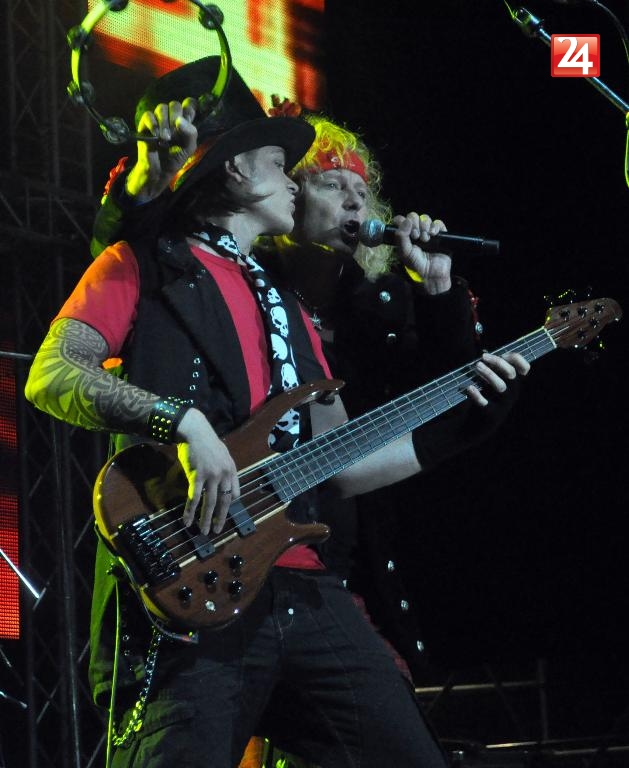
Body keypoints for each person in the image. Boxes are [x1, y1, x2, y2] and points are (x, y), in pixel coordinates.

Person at [25, 57, 529, 768]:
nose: (293, 178)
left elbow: (337, 463)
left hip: (302, 582)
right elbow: (52, 374)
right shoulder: (141, 265)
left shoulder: (287, 306)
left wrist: (467, 418)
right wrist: (183, 422)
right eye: (277, 162)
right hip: (193, 580)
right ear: (234, 171)